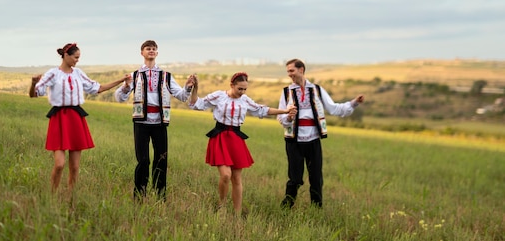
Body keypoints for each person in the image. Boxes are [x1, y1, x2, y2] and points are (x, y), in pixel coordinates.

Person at [188, 72, 296, 215]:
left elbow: (261, 110)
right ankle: (221, 206)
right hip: (220, 137)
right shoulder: (219, 96)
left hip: (236, 139)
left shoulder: (245, 100)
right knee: (225, 175)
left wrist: (285, 111)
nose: (242, 92)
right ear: (232, 85)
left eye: (245, 89)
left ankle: (237, 213)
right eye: (240, 89)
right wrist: (195, 88)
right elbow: (197, 104)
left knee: (237, 178)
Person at [29, 43, 129, 193]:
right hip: (59, 118)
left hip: (76, 118)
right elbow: (34, 94)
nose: (77, 60)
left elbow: (98, 88)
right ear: (66, 55)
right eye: (76, 57)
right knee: (59, 164)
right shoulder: (53, 73)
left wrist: (121, 80)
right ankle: (52, 195)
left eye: (79, 58)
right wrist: (33, 83)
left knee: (75, 167)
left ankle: (71, 196)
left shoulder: (78, 73)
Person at [114, 40, 196, 200]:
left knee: (161, 160)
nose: (151, 51)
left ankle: (160, 196)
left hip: (160, 123)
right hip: (141, 123)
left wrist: (187, 86)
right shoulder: (135, 75)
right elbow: (119, 97)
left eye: (153, 49)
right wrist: (125, 86)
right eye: (148, 48)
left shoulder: (166, 76)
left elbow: (181, 96)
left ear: (157, 53)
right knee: (143, 160)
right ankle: (139, 195)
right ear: (142, 53)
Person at [277, 58, 365, 209]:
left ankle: (316, 210)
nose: (289, 74)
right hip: (293, 141)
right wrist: (289, 117)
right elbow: (280, 117)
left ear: (301, 70)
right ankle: (285, 208)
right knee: (295, 178)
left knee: (316, 178)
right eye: (288, 72)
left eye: (291, 71)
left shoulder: (317, 90)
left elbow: (334, 108)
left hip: (313, 139)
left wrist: (354, 103)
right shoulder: (286, 92)